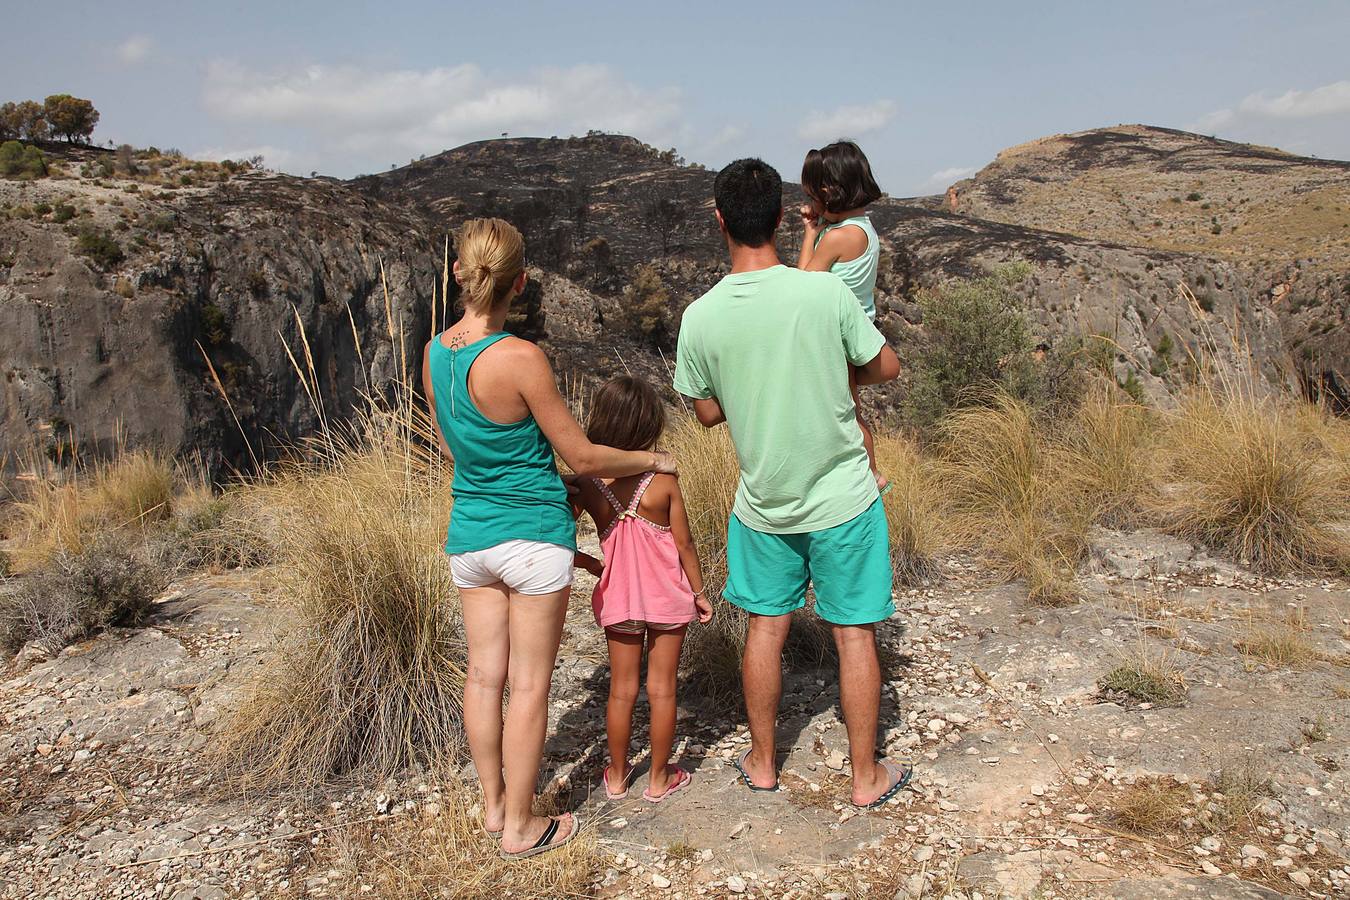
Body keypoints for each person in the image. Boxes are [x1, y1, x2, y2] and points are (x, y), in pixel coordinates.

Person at [423, 218, 676, 860]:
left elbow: (462, 450)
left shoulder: (433, 353)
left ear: (459, 271)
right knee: (530, 685)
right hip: (533, 535)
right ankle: (521, 827)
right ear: (522, 282)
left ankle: (491, 807)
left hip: (470, 534)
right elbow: (585, 457)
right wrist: (650, 461)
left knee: (483, 676)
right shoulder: (521, 358)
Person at [673, 159, 911, 809]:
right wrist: (828, 373)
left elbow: (705, 412)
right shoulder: (825, 295)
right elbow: (884, 366)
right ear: (781, 218)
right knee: (854, 634)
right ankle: (866, 776)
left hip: (764, 502)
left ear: (718, 220)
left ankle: (762, 762)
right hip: (843, 498)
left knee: (765, 630)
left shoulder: (700, 318)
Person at [571, 375, 714, 804]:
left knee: (622, 689)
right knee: (663, 689)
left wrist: (594, 565)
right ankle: (658, 777)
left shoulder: (589, 487)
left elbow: (559, 538)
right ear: (647, 426)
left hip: (619, 599)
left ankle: (615, 776)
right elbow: (684, 543)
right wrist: (700, 591)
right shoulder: (663, 481)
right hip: (668, 598)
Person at [797, 140, 888, 491]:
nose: (811, 205)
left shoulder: (840, 237)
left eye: (813, 196)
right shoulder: (860, 229)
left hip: (840, 333)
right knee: (850, 409)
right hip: (856, 326)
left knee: (850, 414)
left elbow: (802, 282)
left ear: (830, 193)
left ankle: (871, 474)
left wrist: (810, 233)